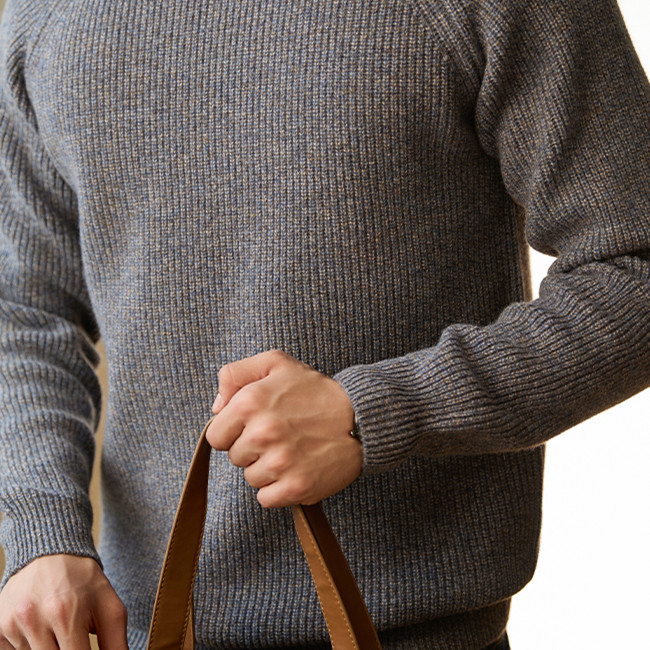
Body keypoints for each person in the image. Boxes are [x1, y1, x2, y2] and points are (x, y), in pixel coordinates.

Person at [0, 0, 648, 647]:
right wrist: (42, 531)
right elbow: (22, 310)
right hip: (142, 626)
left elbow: (634, 268)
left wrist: (380, 410)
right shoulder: (46, 16)